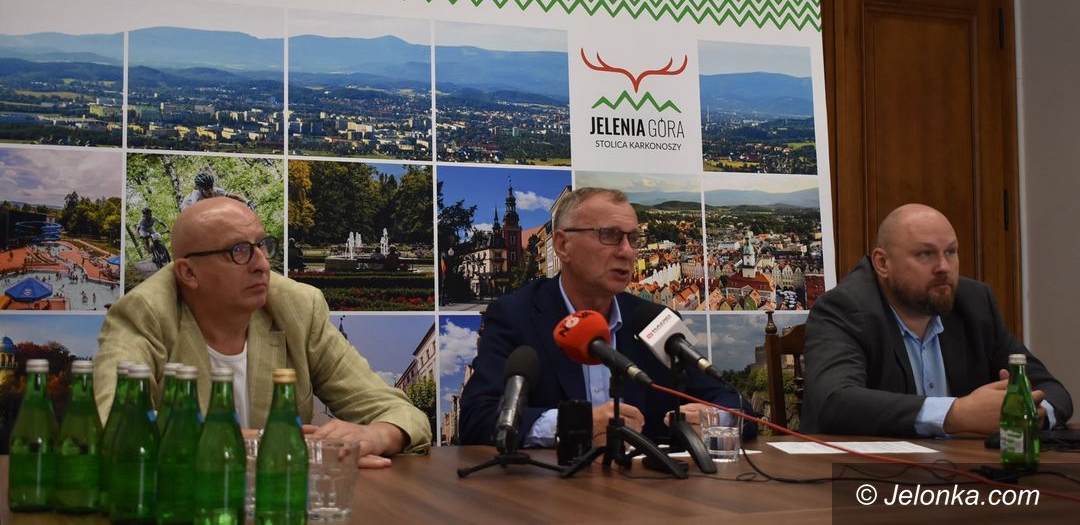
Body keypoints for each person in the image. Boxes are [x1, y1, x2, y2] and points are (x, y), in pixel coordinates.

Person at [94, 197, 431, 466]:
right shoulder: (143, 313)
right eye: (238, 251)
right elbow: (114, 428)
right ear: (188, 273)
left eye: (262, 245)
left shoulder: (298, 307)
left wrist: (377, 435)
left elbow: (403, 413)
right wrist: (257, 444)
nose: (262, 264)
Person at [459, 187, 753, 449]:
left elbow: (737, 406)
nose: (627, 252)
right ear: (563, 245)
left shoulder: (655, 321)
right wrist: (575, 425)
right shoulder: (515, 315)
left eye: (633, 238)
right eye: (610, 235)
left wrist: (715, 419)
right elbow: (477, 418)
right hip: (551, 488)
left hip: (648, 486)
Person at [802, 203, 1073, 436]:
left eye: (951, 252)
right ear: (883, 263)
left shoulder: (975, 303)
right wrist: (957, 414)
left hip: (962, 469)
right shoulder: (844, 308)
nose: (944, 267)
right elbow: (834, 401)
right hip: (866, 473)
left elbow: (1051, 389)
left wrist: (1029, 416)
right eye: (925, 254)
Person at [178, 170, 249, 211]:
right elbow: (196, 212)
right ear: (200, 189)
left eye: (211, 187)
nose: (210, 190)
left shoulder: (217, 191)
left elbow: (233, 196)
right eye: (206, 188)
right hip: (188, 209)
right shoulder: (196, 197)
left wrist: (247, 201)